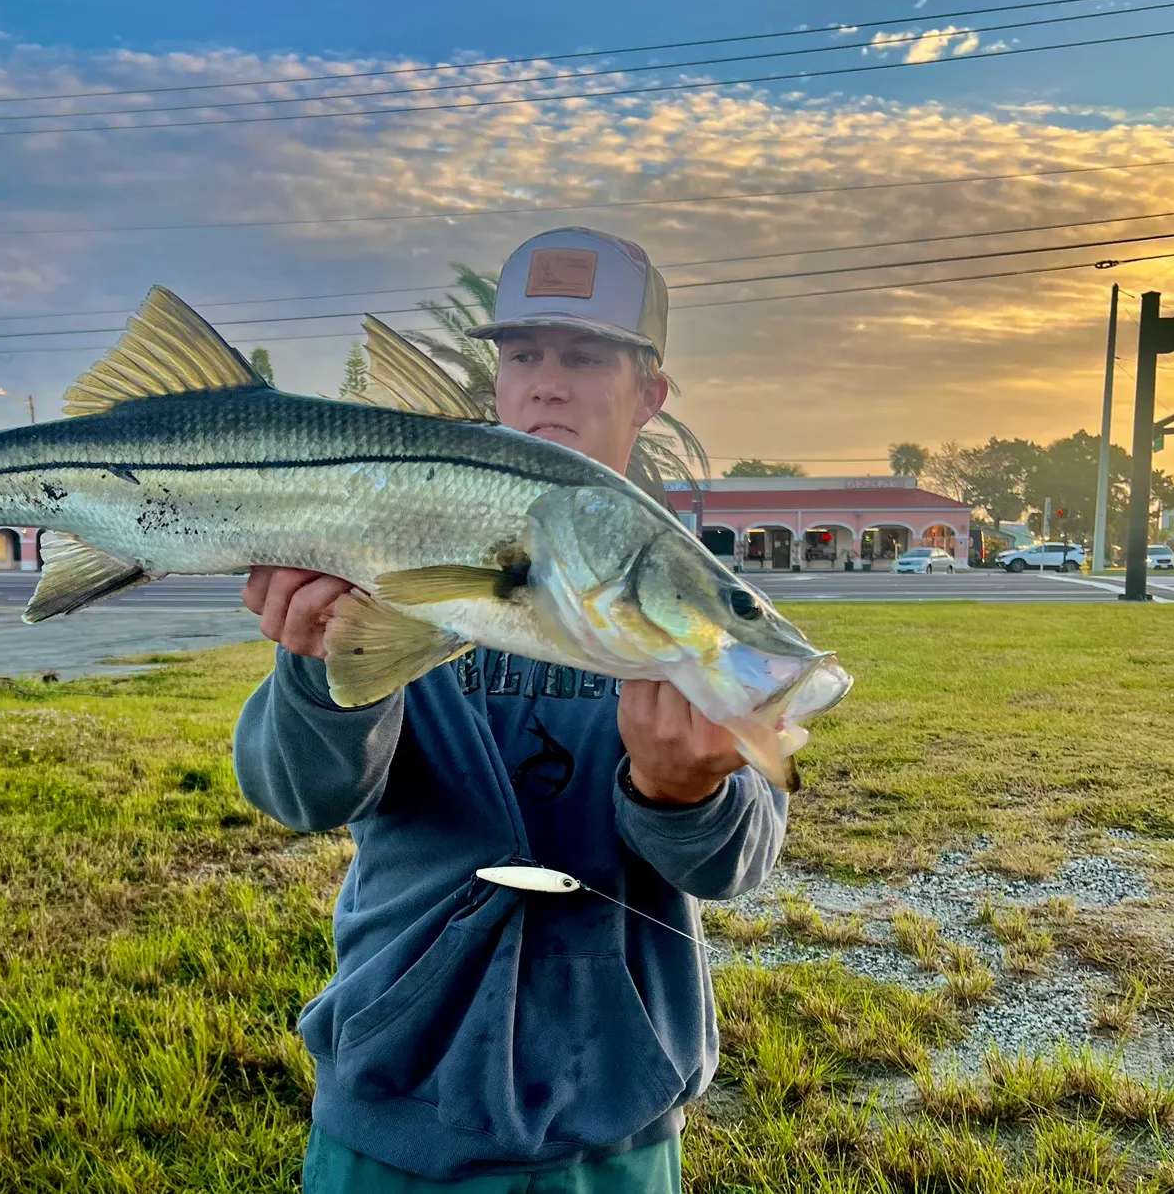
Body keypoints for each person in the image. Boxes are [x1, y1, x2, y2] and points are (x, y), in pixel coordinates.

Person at [233, 228, 787, 1193]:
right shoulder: (385, 542)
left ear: (649, 392)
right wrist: (316, 671)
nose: (547, 384)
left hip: (613, 1114)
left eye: (584, 356)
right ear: (495, 379)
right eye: (522, 355)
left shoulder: (696, 602)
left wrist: (681, 793)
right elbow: (302, 795)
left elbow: (738, 864)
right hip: (395, 1099)